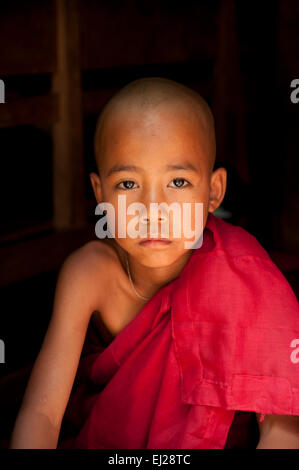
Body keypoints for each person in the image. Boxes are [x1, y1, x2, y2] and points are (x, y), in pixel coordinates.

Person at [10, 78, 299, 449]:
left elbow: (285, 425)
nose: (153, 210)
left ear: (213, 191)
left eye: (177, 182)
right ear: (100, 194)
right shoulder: (89, 274)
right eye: (128, 185)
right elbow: (42, 414)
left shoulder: (245, 276)